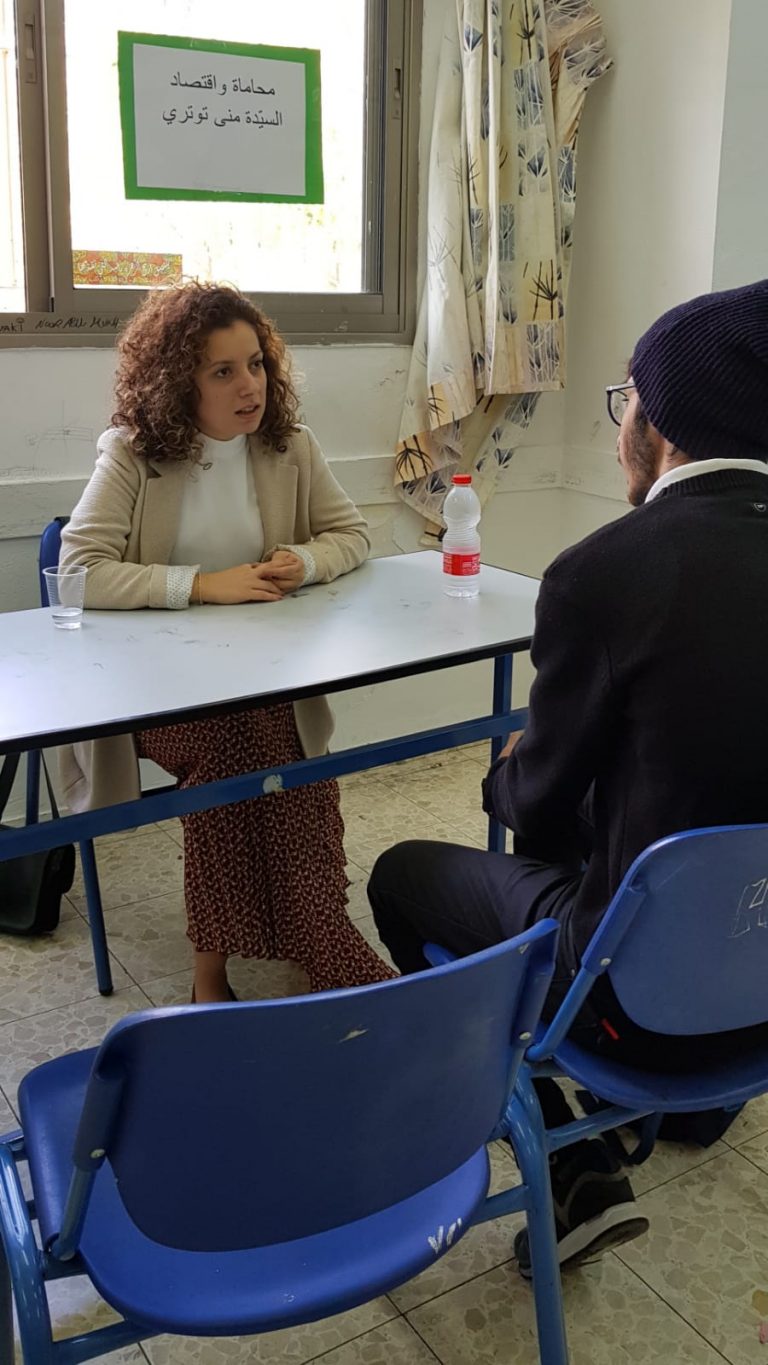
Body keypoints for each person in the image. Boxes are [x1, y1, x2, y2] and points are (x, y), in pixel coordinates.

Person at [368, 278, 768, 1272]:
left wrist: (508, 773)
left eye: (625, 399)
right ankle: (694, 1098)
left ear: (660, 426)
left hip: (634, 1005)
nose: (618, 423)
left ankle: (564, 1146)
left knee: (404, 875)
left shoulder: (609, 570)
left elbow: (535, 804)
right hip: (756, 995)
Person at [60, 281, 394, 1004]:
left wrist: (304, 561)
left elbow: (352, 534)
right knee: (237, 748)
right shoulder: (131, 453)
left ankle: (297, 940)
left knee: (274, 745)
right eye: (223, 371)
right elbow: (78, 571)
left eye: (257, 364)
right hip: (154, 690)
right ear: (178, 384)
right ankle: (270, 956)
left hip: (263, 680)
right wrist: (204, 585)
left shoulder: (290, 445)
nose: (250, 386)